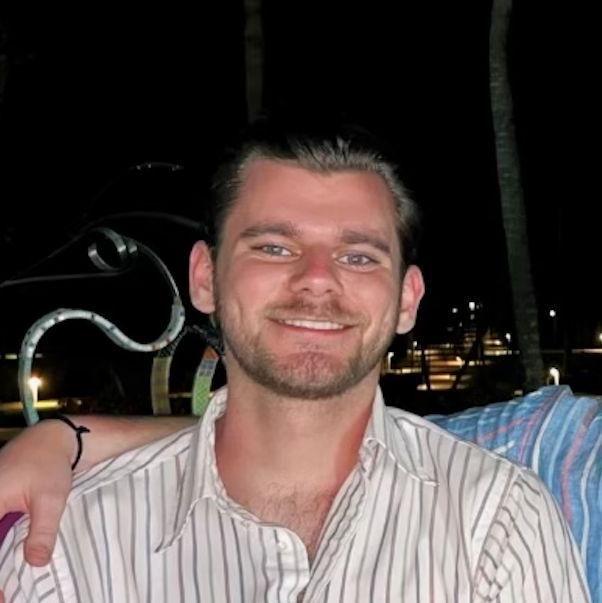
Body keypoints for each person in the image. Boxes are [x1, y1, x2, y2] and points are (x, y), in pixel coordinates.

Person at [0, 119, 591, 601]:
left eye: (359, 257)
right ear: (204, 277)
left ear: (408, 299)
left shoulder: (497, 520)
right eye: (275, 247)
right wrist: (69, 438)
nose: (316, 278)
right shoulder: (68, 544)